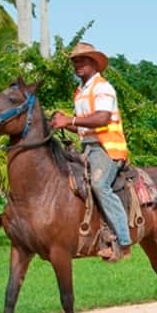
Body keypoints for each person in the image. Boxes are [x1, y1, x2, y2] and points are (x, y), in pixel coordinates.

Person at [50, 42, 132, 262]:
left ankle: (123, 241)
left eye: (83, 60)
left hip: (107, 148)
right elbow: (84, 126)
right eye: (75, 61)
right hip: (87, 147)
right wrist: (63, 123)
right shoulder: (80, 93)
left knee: (99, 185)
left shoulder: (102, 87)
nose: (78, 64)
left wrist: (70, 119)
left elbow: (102, 118)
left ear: (95, 63)